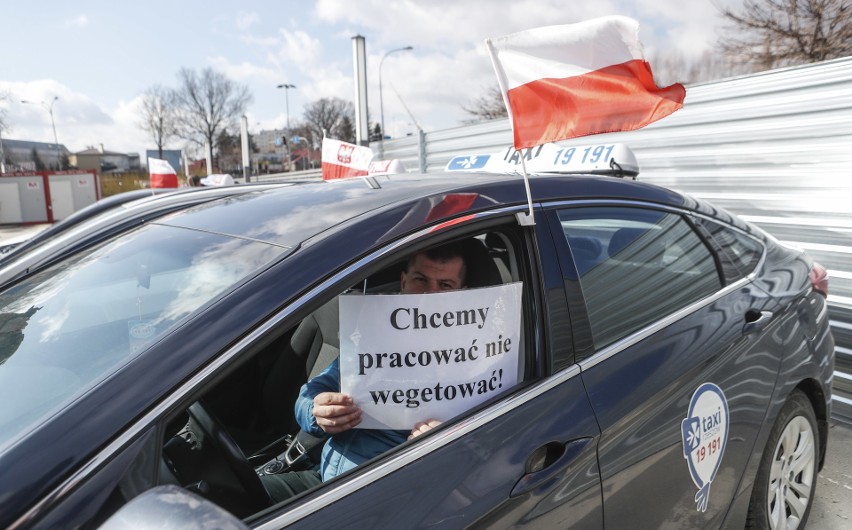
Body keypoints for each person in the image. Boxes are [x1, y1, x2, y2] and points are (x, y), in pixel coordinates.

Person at [262, 242, 466, 502]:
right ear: (403, 282)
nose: (428, 295)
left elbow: (495, 448)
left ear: (462, 293)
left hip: (384, 497)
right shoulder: (371, 338)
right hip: (320, 478)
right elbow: (312, 392)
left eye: (445, 286)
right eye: (420, 280)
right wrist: (316, 411)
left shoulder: (477, 362)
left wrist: (451, 443)